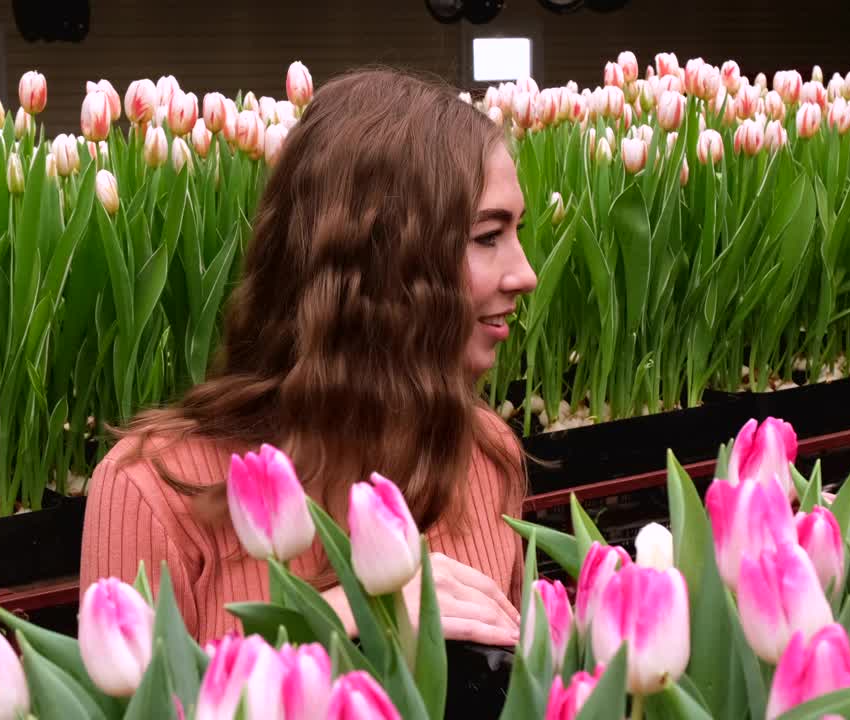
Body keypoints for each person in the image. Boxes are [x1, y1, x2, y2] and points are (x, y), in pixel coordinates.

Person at [79, 68, 539, 646]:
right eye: (487, 236)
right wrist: (315, 630)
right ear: (379, 260)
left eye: (517, 230)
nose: (526, 274)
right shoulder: (154, 493)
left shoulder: (485, 455)